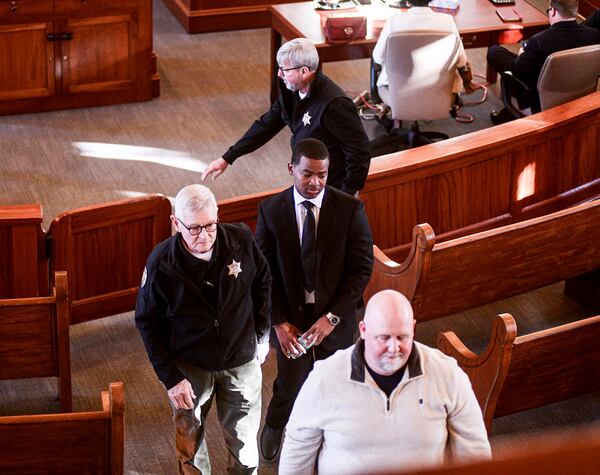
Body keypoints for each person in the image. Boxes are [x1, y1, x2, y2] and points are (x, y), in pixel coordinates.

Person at [135, 184, 271, 475]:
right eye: (194, 228)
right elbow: (147, 322)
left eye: (210, 225)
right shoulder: (161, 262)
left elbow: (263, 282)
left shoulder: (241, 239)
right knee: (191, 447)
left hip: (240, 359)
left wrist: (262, 336)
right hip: (189, 366)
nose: (204, 236)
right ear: (176, 223)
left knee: (245, 446)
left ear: (217, 215)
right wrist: (171, 378)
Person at [279, 289, 492, 475]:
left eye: (402, 337)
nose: (393, 348)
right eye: (384, 338)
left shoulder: (447, 374)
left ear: (413, 328)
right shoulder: (324, 379)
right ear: (363, 330)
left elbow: (474, 453)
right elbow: (298, 447)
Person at [254, 138, 374, 461]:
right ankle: (276, 425)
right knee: (291, 384)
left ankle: (331, 440)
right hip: (290, 318)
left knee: (335, 383)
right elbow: (263, 275)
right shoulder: (271, 211)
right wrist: (278, 323)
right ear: (292, 168)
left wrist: (332, 318)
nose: (315, 183)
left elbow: (362, 268)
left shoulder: (350, 209)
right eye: (307, 174)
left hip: (333, 318)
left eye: (322, 175)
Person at [201, 38, 371, 197]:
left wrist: (345, 194)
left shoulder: (335, 105)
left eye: (284, 69)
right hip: (306, 178)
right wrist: (228, 157)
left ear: (304, 71)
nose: (279, 75)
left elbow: (359, 152)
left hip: (330, 185)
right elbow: (267, 124)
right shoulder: (291, 90)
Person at [487, 0, 600, 124]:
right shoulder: (594, 36)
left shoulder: (539, 42)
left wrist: (522, 56)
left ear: (554, 11)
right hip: (579, 97)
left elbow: (518, 72)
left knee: (495, 52)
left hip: (541, 103)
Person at [372, 0, 475, 97]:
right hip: (441, 91)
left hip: (398, 92)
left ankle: (377, 100)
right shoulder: (447, 21)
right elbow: (461, 60)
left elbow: (378, 57)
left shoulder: (394, 21)